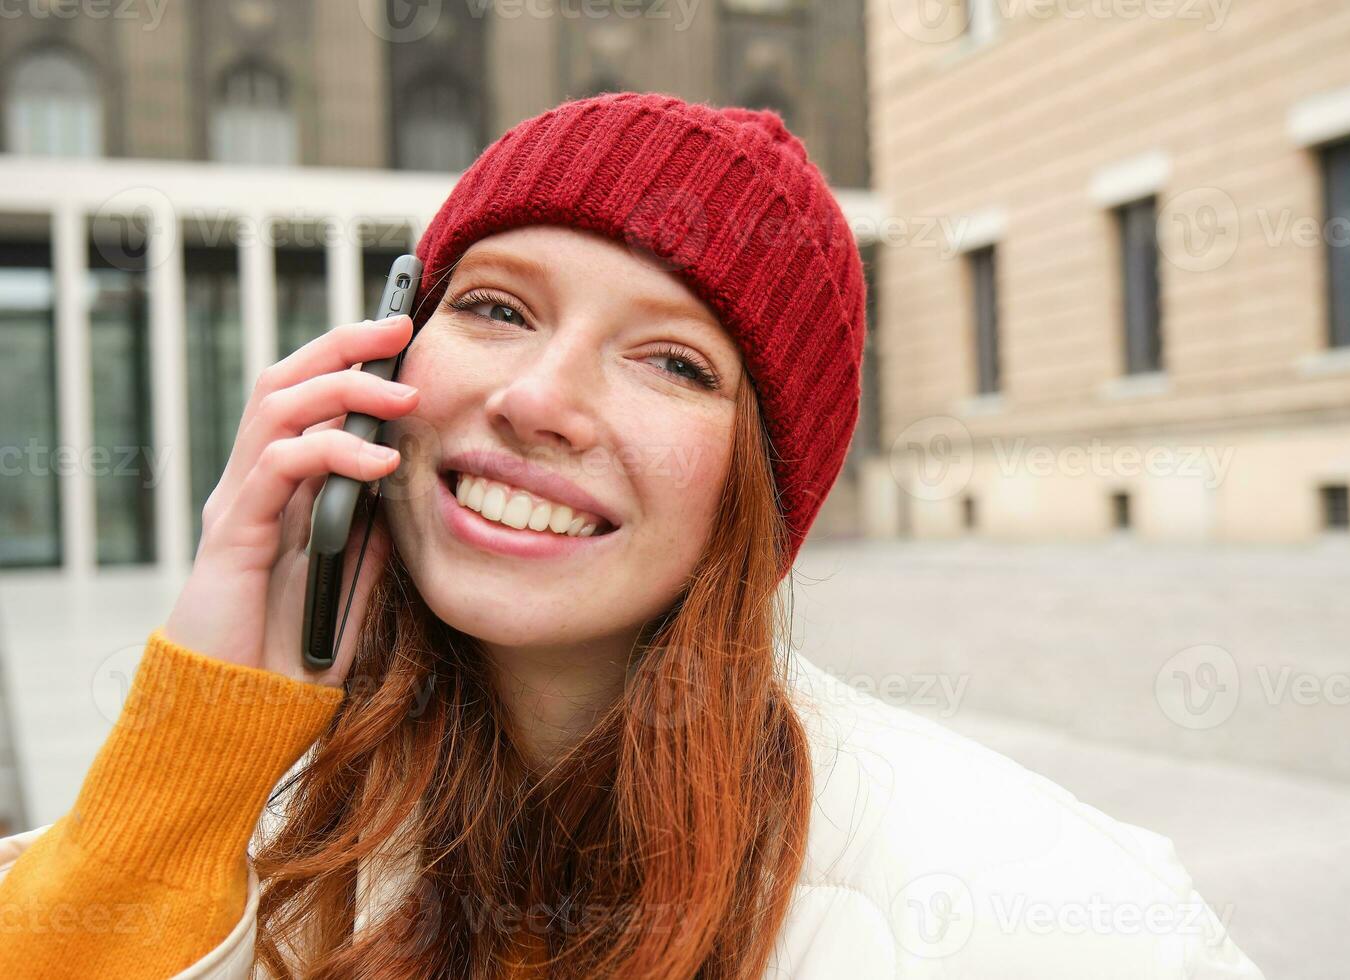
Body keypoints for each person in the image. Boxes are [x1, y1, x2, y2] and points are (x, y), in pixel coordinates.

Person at [0, 92, 1264, 979]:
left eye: (670, 360)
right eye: (494, 306)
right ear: (389, 348)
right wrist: (198, 727)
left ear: (761, 485)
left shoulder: (1040, 909)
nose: (539, 398)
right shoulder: (284, 842)